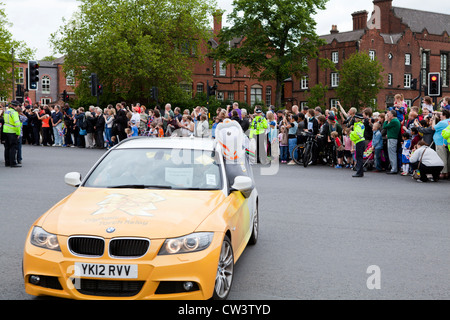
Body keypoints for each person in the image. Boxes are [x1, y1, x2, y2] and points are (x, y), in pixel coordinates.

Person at [431, 109, 450, 179]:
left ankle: (443, 173)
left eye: (441, 115)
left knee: (442, 158)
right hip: (447, 142)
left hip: (440, 142)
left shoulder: (441, 123)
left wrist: (433, 119)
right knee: (448, 158)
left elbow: (433, 127)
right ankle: (448, 172)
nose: (440, 116)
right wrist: (436, 112)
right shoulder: (448, 121)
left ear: (444, 115)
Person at [2, 100, 22, 167]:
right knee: (13, 147)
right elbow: (17, 123)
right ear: (15, 106)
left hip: (5, 130)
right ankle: (12, 162)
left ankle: (7, 162)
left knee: (7, 147)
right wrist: (18, 133)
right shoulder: (14, 112)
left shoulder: (6, 111)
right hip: (12, 131)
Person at [383, 110, 401, 174]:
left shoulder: (394, 121)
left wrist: (386, 120)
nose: (387, 116)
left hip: (393, 139)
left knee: (392, 154)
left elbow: (384, 126)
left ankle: (394, 169)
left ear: (392, 115)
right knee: (391, 153)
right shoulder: (394, 121)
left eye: (389, 115)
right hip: (392, 138)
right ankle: (393, 168)